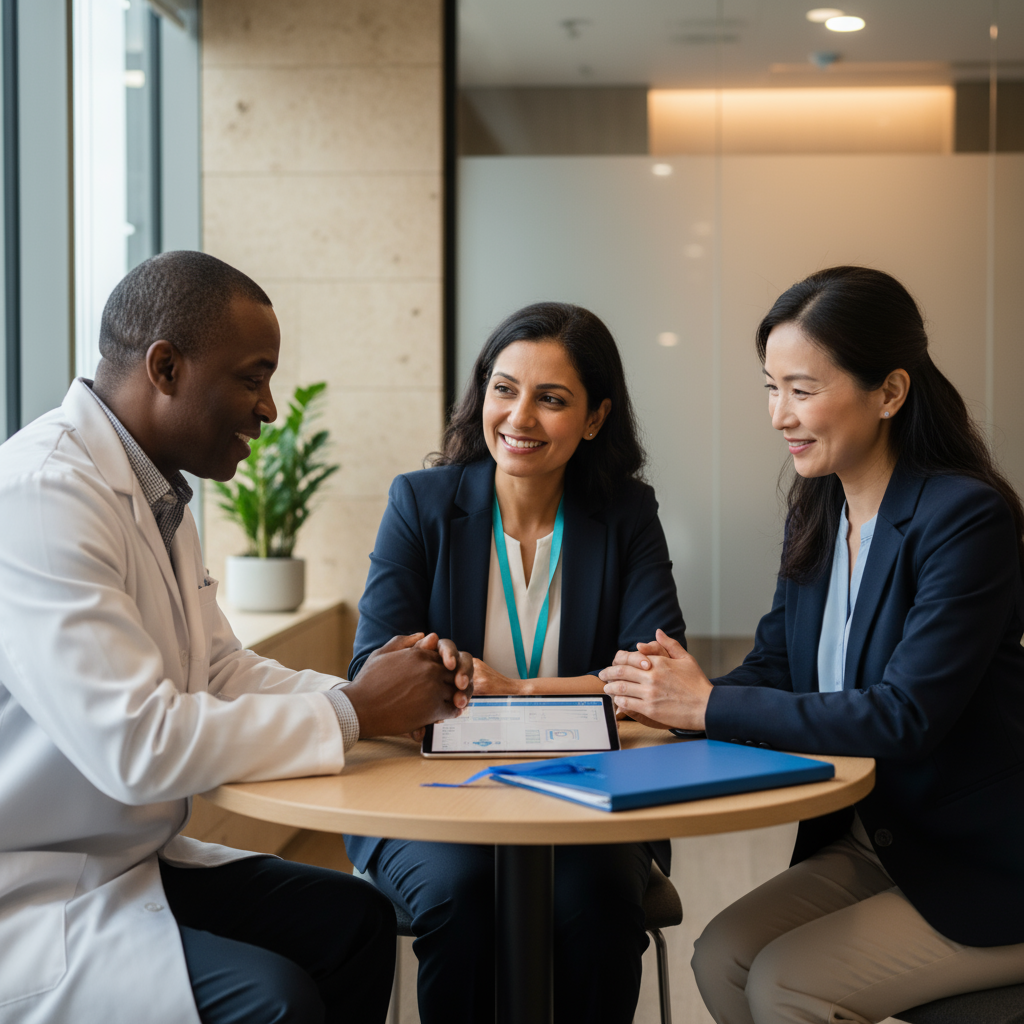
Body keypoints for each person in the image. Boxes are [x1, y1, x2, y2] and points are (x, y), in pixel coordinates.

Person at [0, 251, 474, 1024]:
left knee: (353, 921)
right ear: (165, 367)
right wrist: (356, 711)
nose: (271, 408)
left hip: (122, 864)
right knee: (273, 1000)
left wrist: (371, 695)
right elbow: (136, 745)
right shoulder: (43, 496)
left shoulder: (157, 496)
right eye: (252, 377)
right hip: (37, 888)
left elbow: (219, 669)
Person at [599, 266, 1024, 1023]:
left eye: (802, 389)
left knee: (787, 983)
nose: (778, 415)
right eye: (771, 387)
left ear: (890, 392)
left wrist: (712, 705)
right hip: (883, 840)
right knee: (722, 954)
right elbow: (778, 666)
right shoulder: (820, 510)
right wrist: (674, 699)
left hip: (984, 864)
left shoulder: (965, 519)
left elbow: (904, 717)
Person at [347, 301, 687, 1024]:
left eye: (551, 399)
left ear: (595, 418)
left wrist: (518, 689)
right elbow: (373, 671)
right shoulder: (421, 503)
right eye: (505, 389)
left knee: (594, 905)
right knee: (463, 898)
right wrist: (589, 689)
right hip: (432, 791)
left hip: (590, 790)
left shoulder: (626, 514)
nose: (519, 417)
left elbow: (658, 680)